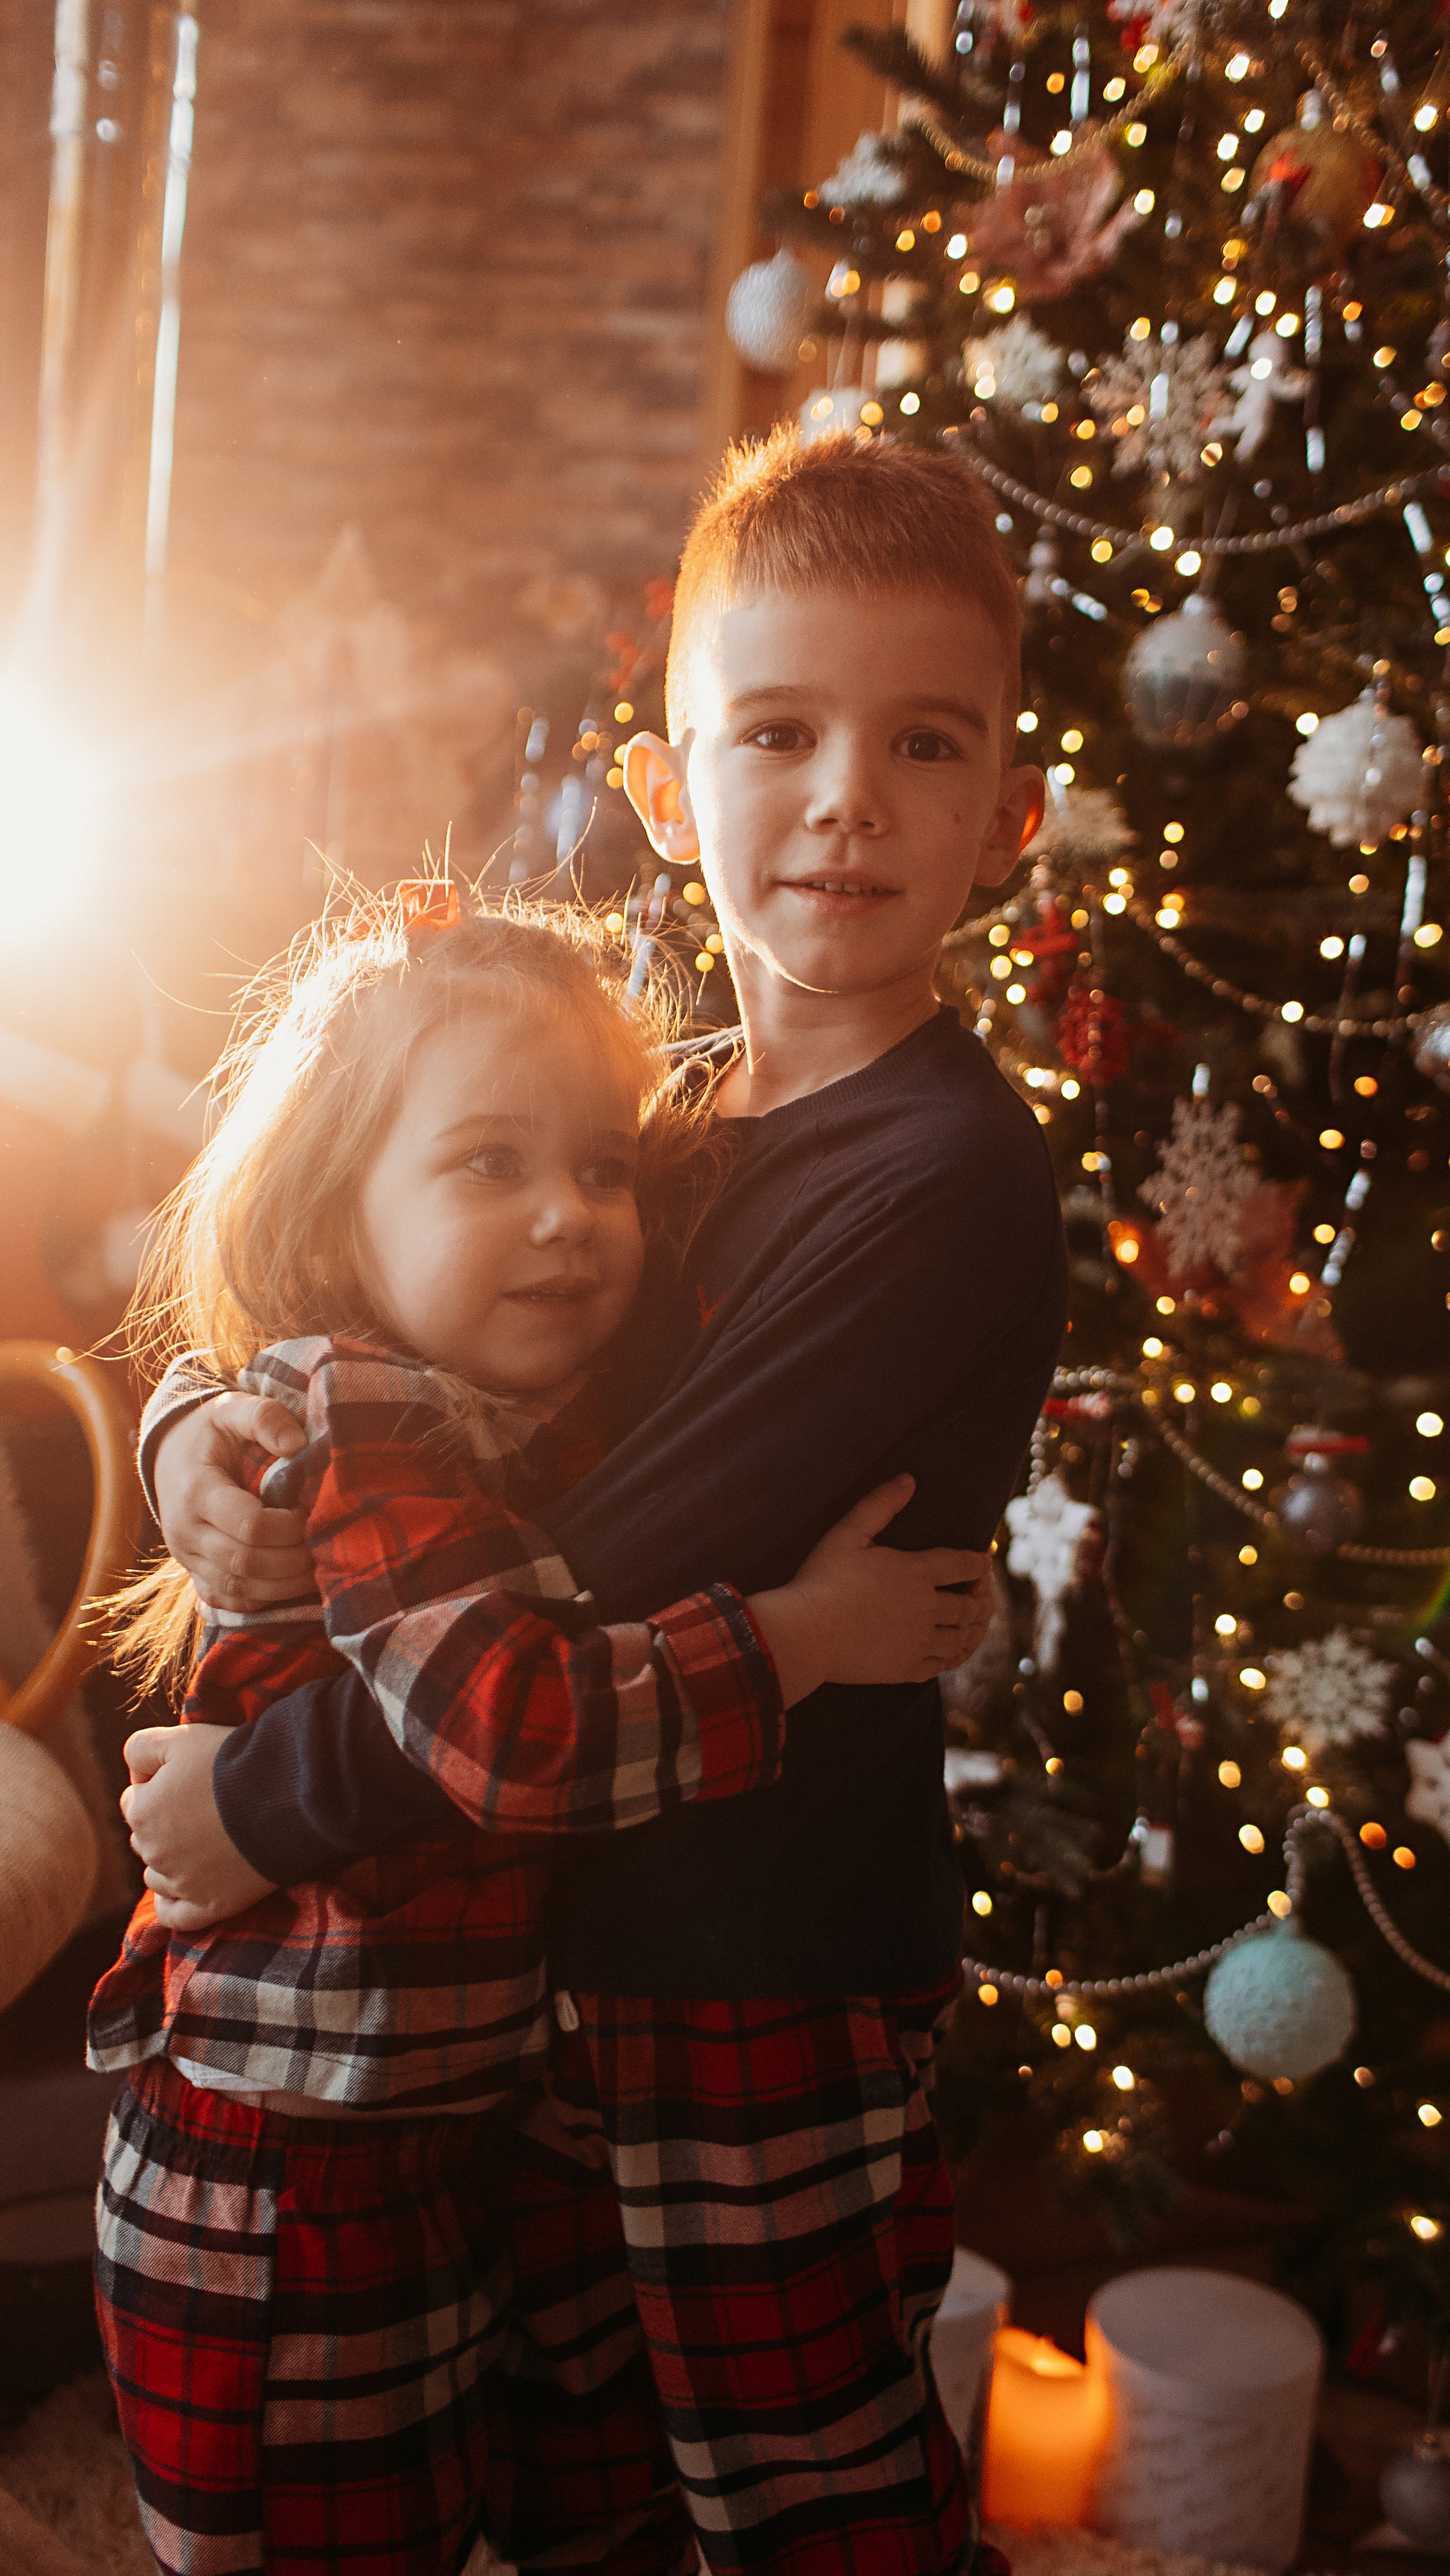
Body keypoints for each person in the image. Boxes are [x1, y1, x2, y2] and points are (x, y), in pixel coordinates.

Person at [125, 427, 1068, 2575]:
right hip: (539, 1953)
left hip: (758, 1964)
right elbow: (369, 1315)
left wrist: (272, 1797)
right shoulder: (663, 1127)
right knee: (587, 2483)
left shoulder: (943, 1174)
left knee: (805, 2486)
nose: (847, 798)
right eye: (780, 733)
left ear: (1008, 816)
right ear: (666, 788)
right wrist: (194, 1436)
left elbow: (603, 1561)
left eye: (923, 744)